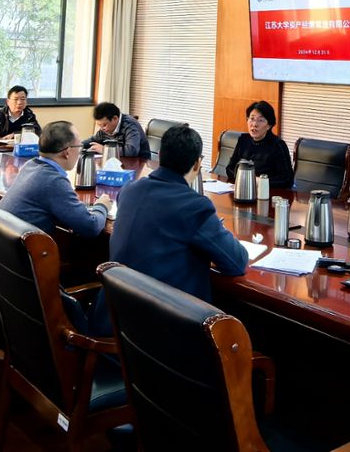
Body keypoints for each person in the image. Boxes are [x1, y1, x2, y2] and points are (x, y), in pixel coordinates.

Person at [91, 124, 248, 335]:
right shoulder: (194, 206)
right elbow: (236, 262)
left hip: (115, 318)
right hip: (163, 334)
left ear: (160, 155)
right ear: (197, 163)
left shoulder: (129, 190)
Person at [0, 121, 112, 269]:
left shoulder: (31, 165)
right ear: (67, 152)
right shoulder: (53, 181)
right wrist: (102, 206)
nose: (80, 151)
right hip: (1, 269)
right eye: (80, 146)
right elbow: (90, 227)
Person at [224, 100, 293, 189]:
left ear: (269, 125)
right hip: (244, 189)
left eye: (260, 120)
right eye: (252, 119)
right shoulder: (243, 140)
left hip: (268, 193)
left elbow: (287, 179)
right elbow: (230, 169)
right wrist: (245, 179)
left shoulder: (278, 145)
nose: (254, 124)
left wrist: (259, 181)